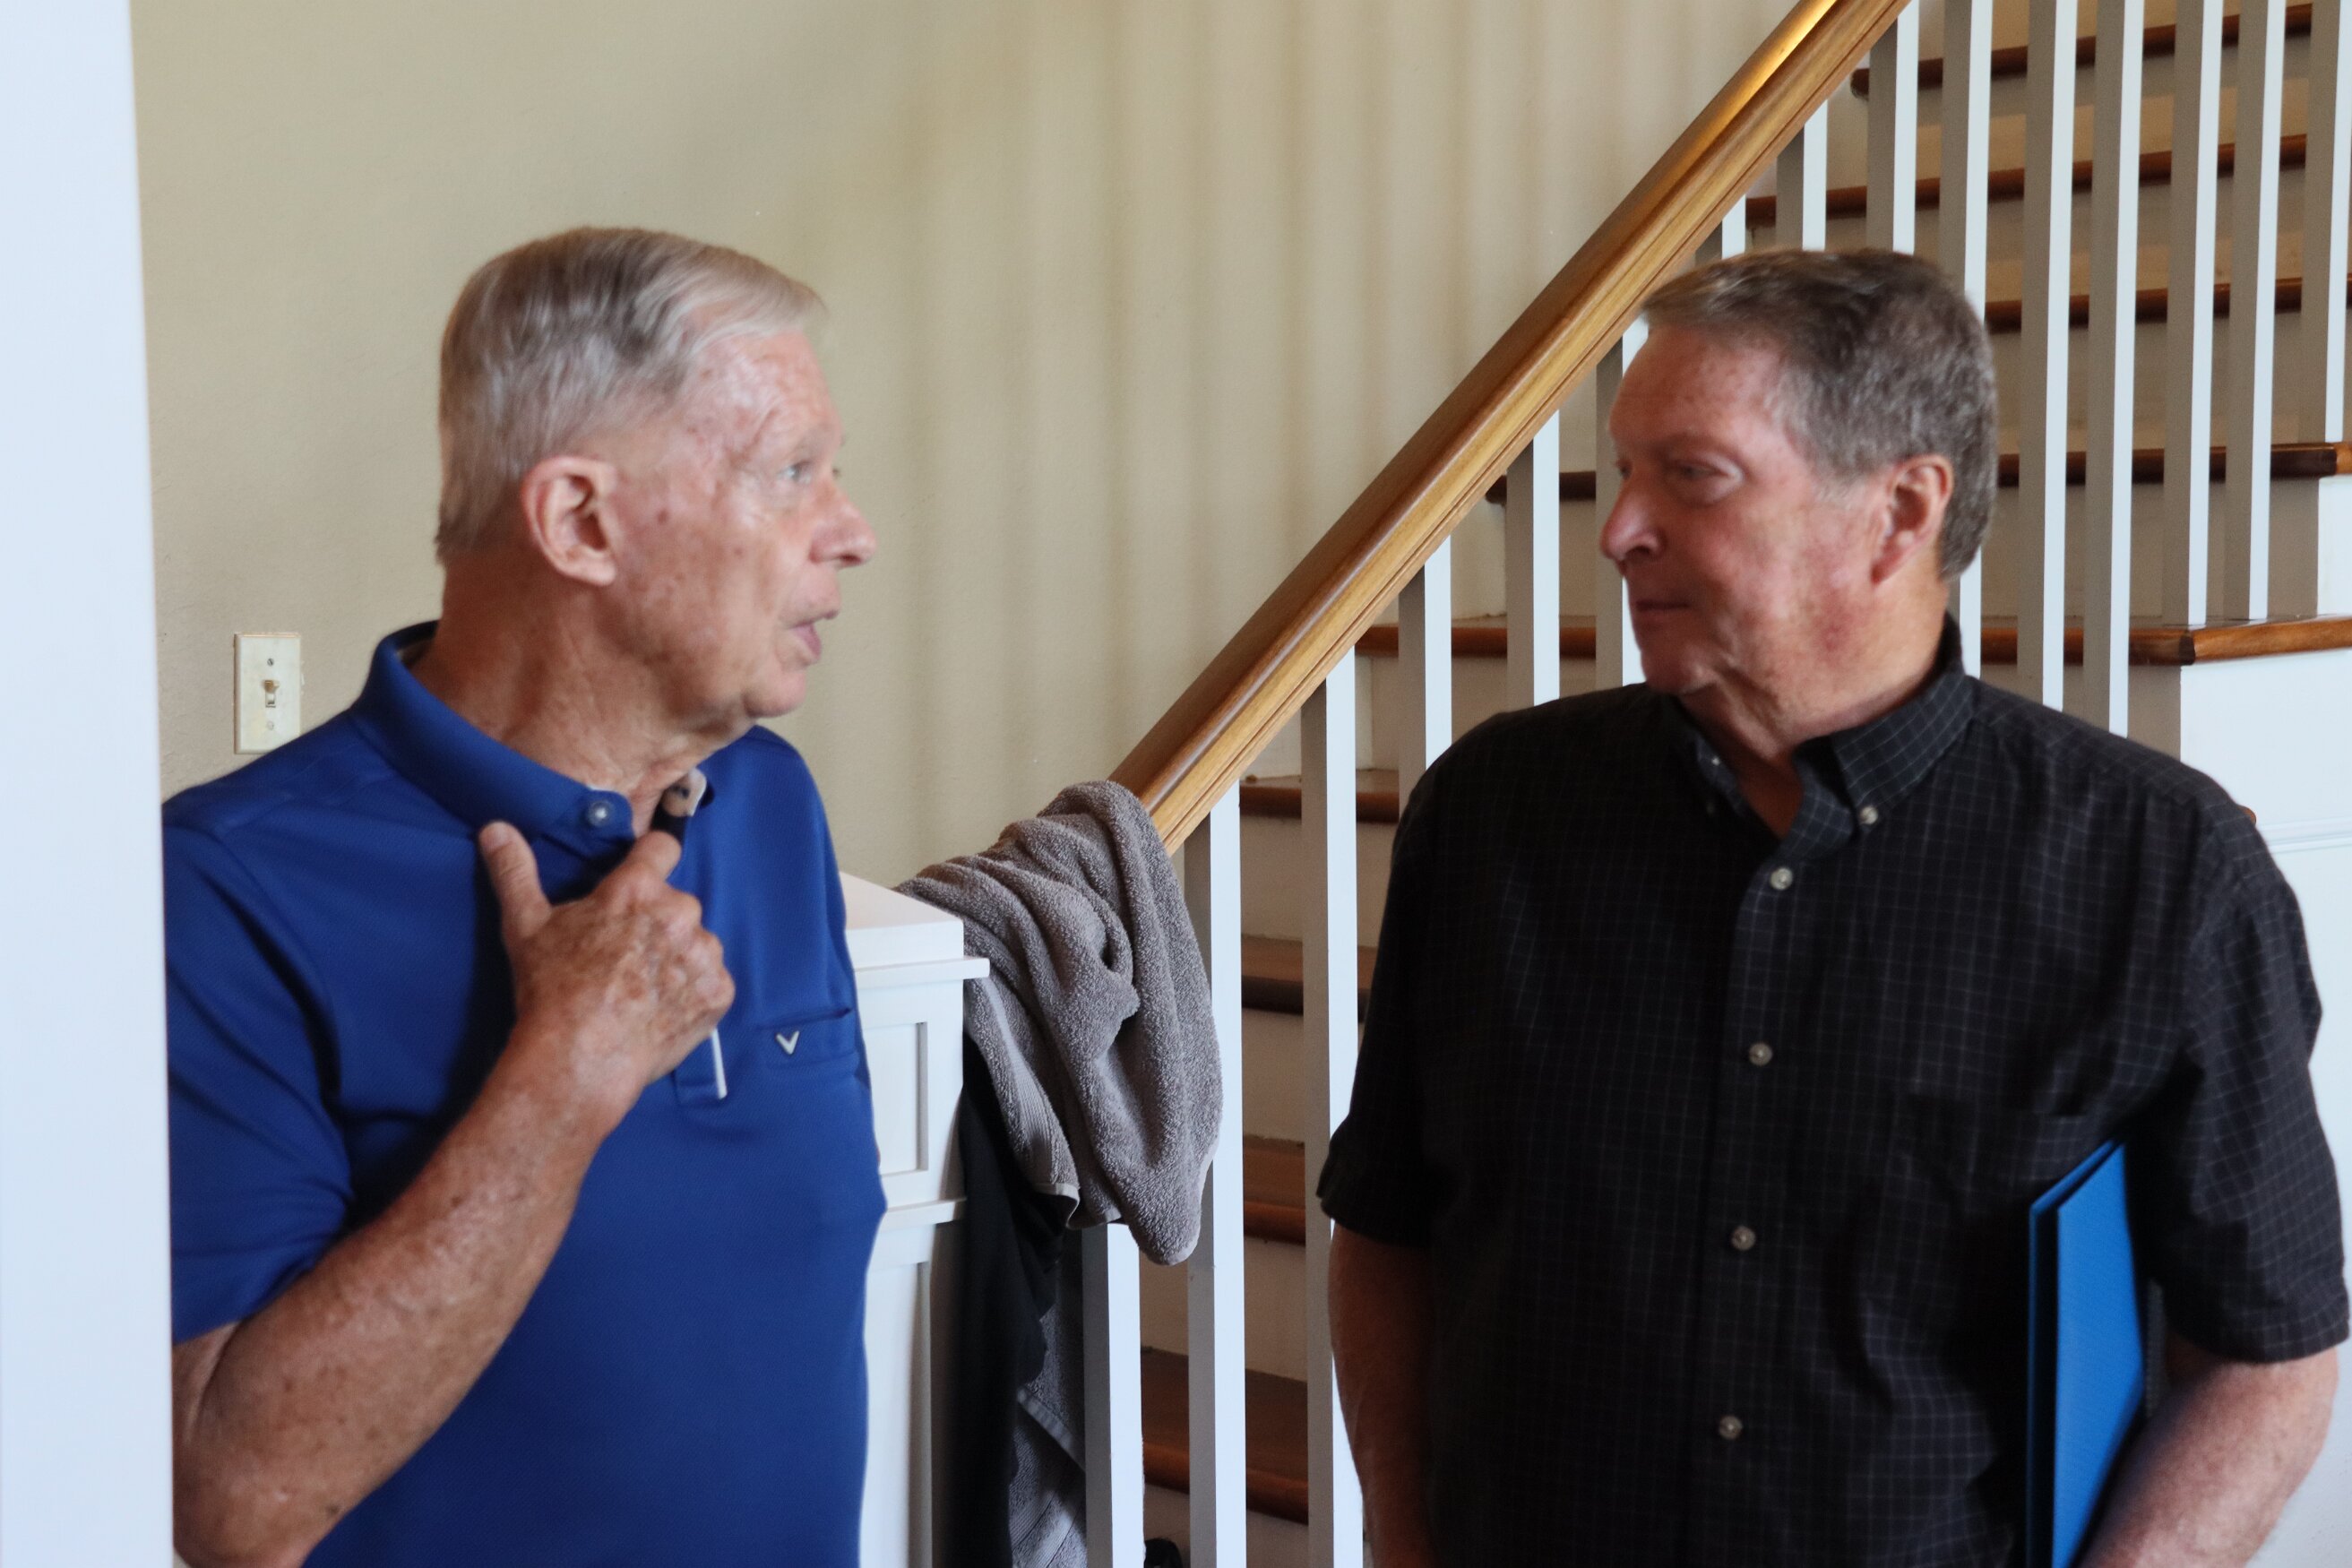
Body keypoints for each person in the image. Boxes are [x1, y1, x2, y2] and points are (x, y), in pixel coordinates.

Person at [1319, 249, 2346, 1567]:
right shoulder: (1492, 815)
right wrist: (1402, 1538)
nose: (1617, 529)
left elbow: (2265, 1353)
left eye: (1690, 475)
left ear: (1900, 513)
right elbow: (1387, 1226)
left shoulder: (2161, 873)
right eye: (1625, 469)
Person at [165, 228, 881, 1567]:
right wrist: (564, 1077)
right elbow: (231, 1504)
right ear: (579, 523)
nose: (852, 532)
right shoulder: (223, 888)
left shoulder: (768, 801)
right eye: (793, 473)